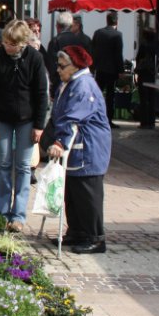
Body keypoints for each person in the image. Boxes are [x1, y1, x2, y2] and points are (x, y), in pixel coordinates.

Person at [0, 19, 48, 232]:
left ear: (23, 43)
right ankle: (2, 211)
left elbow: (41, 94)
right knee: (2, 164)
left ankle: (18, 215)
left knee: (23, 167)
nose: (8, 47)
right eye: (6, 43)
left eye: (12, 44)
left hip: (27, 119)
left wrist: (39, 125)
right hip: (1, 118)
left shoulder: (35, 58)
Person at [47, 45, 112, 254]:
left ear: (75, 66)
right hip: (76, 147)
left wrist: (60, 142)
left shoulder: (83, 86)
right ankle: (76, 231)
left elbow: (73, 116)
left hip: (89, 147)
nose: (58, 70)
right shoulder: (70, 82)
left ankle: (95, 237)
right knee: (72, 192)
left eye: (62, 66)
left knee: (87, 193)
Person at [92, 11, 124, 128]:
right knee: (110, 96)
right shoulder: (117, 35)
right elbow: (118, 54)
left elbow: (93, 50)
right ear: (116, 21)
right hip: (112, 70)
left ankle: (94, 117)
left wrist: (92, 67)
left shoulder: (98, 33)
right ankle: (108, 120)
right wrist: (121, 70)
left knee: (97, 94)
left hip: (99, 69)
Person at [135, 27, 157, 129]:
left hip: (144, 74)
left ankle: (144, 122)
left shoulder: (143, 45)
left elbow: (138, 58)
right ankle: (152, 121)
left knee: (143, 99)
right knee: (152, 98)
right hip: (153, 74)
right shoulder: (156, 45)